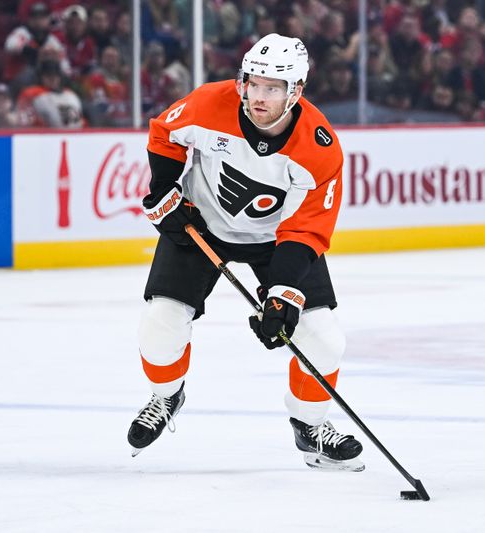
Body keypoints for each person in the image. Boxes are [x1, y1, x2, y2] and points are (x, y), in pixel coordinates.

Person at [127, 33, 363, 471]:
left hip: (277, 241)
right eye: (253, 83)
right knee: (160, 325)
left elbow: (307, 227)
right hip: (201, 227)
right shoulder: (210, 102)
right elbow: (165, 133)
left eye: (272, 88)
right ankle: (166, 397)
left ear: (296, 92)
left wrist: (283, 294)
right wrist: (164, 192)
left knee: (324, 338)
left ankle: (309, 426)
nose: (258, 96)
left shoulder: (319, 147)